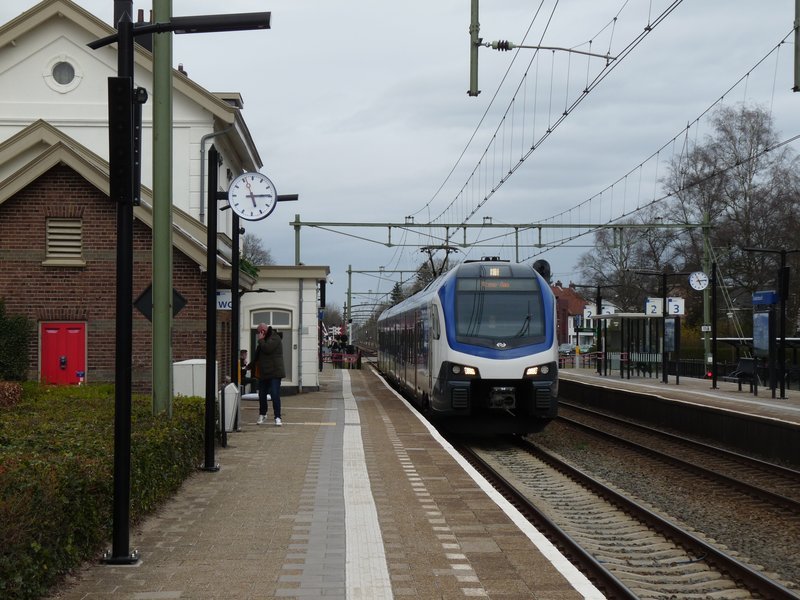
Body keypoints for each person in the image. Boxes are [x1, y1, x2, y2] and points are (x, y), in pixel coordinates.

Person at [254, 323, 286, 426]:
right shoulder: (262, 341)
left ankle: (277, 417)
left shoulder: (275, 337)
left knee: (274, 394)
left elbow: (268, 349)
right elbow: (257, 356)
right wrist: (249, 366)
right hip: (264, 372)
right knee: (262, 394)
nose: (259, 334)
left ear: (263, 330)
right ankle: (263, 414)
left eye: (260, 332)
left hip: (275, 372)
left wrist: (260, 340)